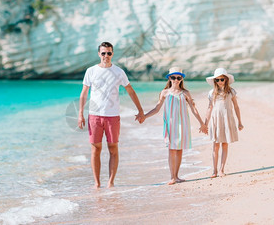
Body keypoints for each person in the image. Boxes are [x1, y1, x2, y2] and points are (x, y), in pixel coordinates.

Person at [78, 42, 145, 189]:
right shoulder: (91, 71)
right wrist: (80, 114)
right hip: (94, 115)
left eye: (109, 53)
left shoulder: (119, 72)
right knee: (95, 149)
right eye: (103, 53)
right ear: (99, 54)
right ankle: (97, 183)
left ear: (112, 54)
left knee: (113, 148)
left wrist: (140, 110)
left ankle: (111, 182)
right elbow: (84, 93)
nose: (106, 56)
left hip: (112, 116)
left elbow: (130, 91)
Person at [144, 67, 207, 185]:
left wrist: (202, 123)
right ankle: (172, 177)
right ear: (169, 78)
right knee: (172, 149)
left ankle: (177, 176)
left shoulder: (185, 93)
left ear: (182, 79)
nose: (176, 80)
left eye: (179, 77)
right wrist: (144, 116)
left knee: (179, 150)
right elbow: (157, 108)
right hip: (170, 124)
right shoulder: (165, 93)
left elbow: (194, 109)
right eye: (173, 77)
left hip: (183, 124)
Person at [204, 68, 243, 178]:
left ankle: (222, 169)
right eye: (217, 80)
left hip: (227, 119)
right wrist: (205, 124)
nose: (220, 82)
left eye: (222, 79)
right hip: (216, 120)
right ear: (214, 81)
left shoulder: (231, 92)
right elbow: (209, 108)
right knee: (215, 145)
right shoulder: (212, 93)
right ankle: (214, 170)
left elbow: (236, 106)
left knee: (225, 144)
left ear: (226, 80)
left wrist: (240, 122)